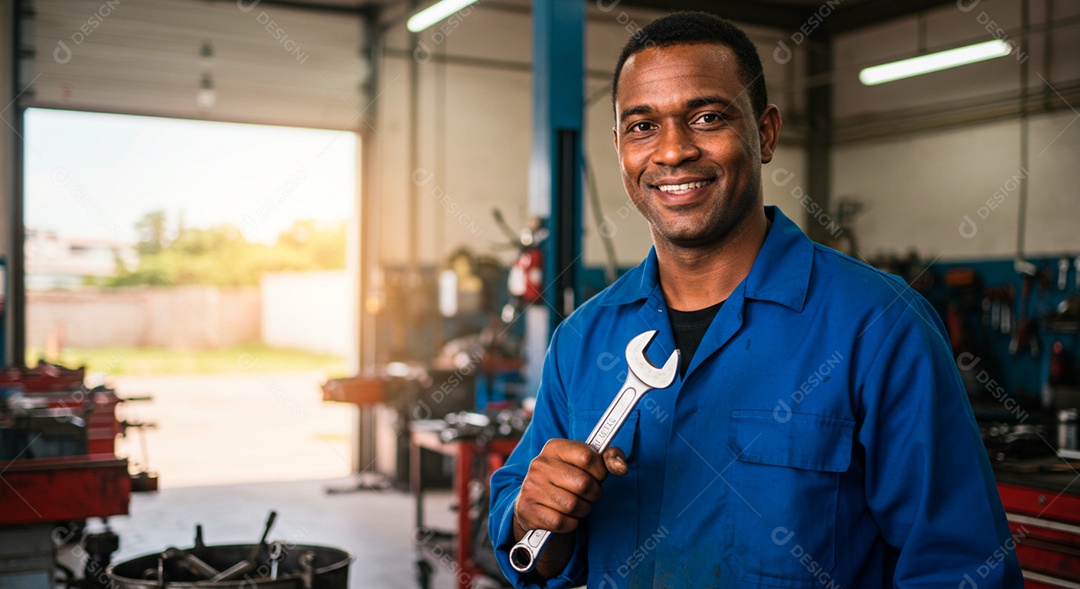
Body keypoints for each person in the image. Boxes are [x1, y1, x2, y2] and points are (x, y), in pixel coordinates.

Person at [489, 11, 1023, 589]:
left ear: (764, 134)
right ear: (619, 149)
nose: (672, 151)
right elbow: (534, 559)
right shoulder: (582, 340)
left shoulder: (879, 327)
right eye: (643, 127)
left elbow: (962, 570)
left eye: (707, 117)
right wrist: (533, 519)